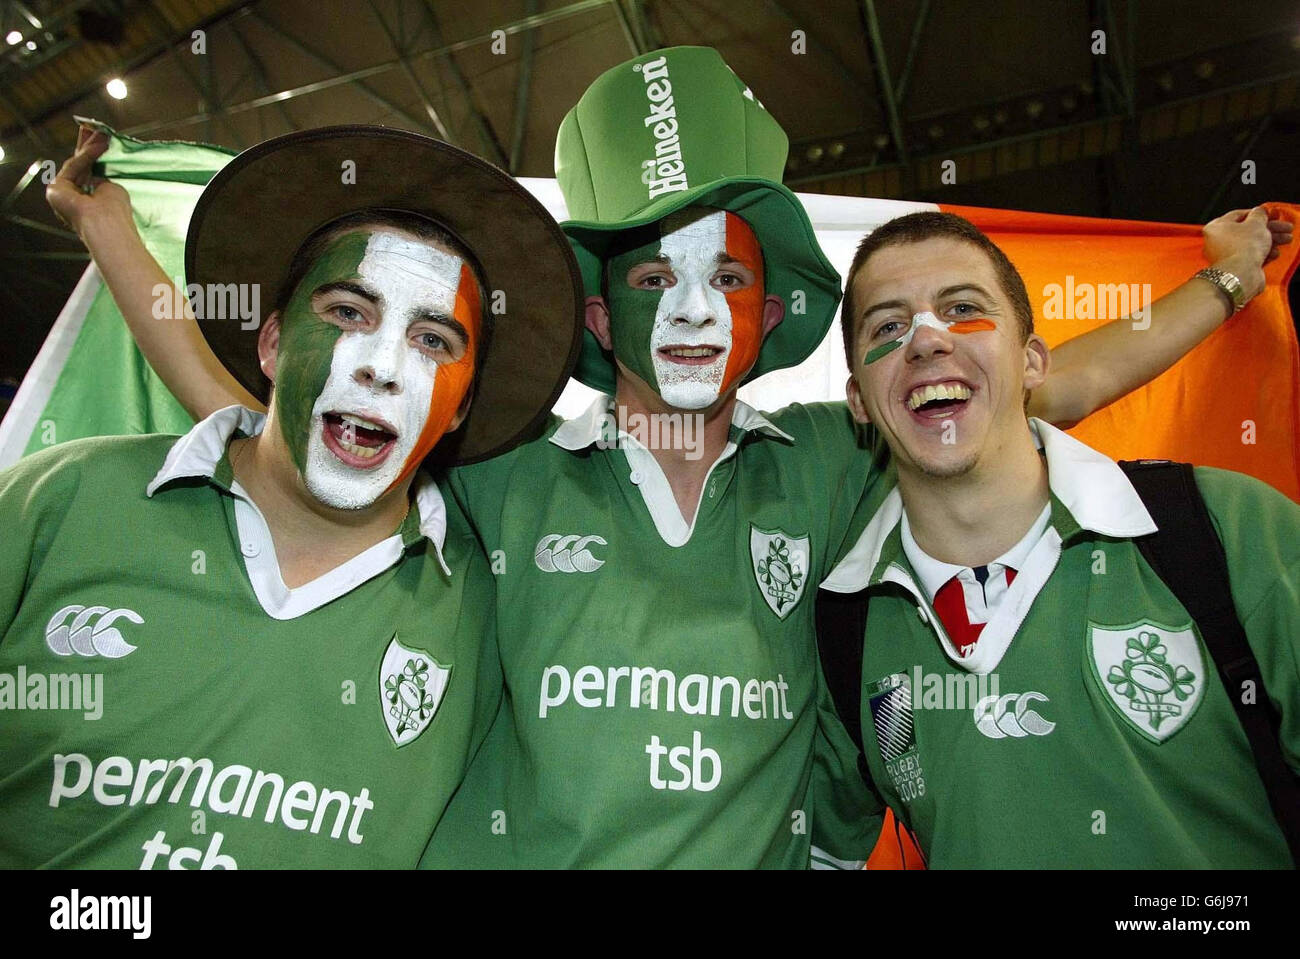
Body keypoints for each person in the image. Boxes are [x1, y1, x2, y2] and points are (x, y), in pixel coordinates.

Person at [62, 47, 1289, 869]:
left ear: (768, 317)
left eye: (730, 278)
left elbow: (1042, 383)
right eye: (652, 276)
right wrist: (113, 233)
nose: (694, 308)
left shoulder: (828, 457)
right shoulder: (508, 468)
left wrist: (1221, 283)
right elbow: (263, 404)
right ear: (600, 319)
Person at [0, 124, 583, 868]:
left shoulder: (486, 614)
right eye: (348, 313)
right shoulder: (57, 502)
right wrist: (105, 226)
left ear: (463, 405)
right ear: (270, 344)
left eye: (433, 340)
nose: (381, 367)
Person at [821, 210, 1298, 868]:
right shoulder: (841, 624)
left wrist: (1232, 276)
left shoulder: (1229, 529)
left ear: (1032, 360)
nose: (928, 340)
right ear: (859, 403)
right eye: (889, 325)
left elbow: (1071, 381)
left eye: (963, 308)